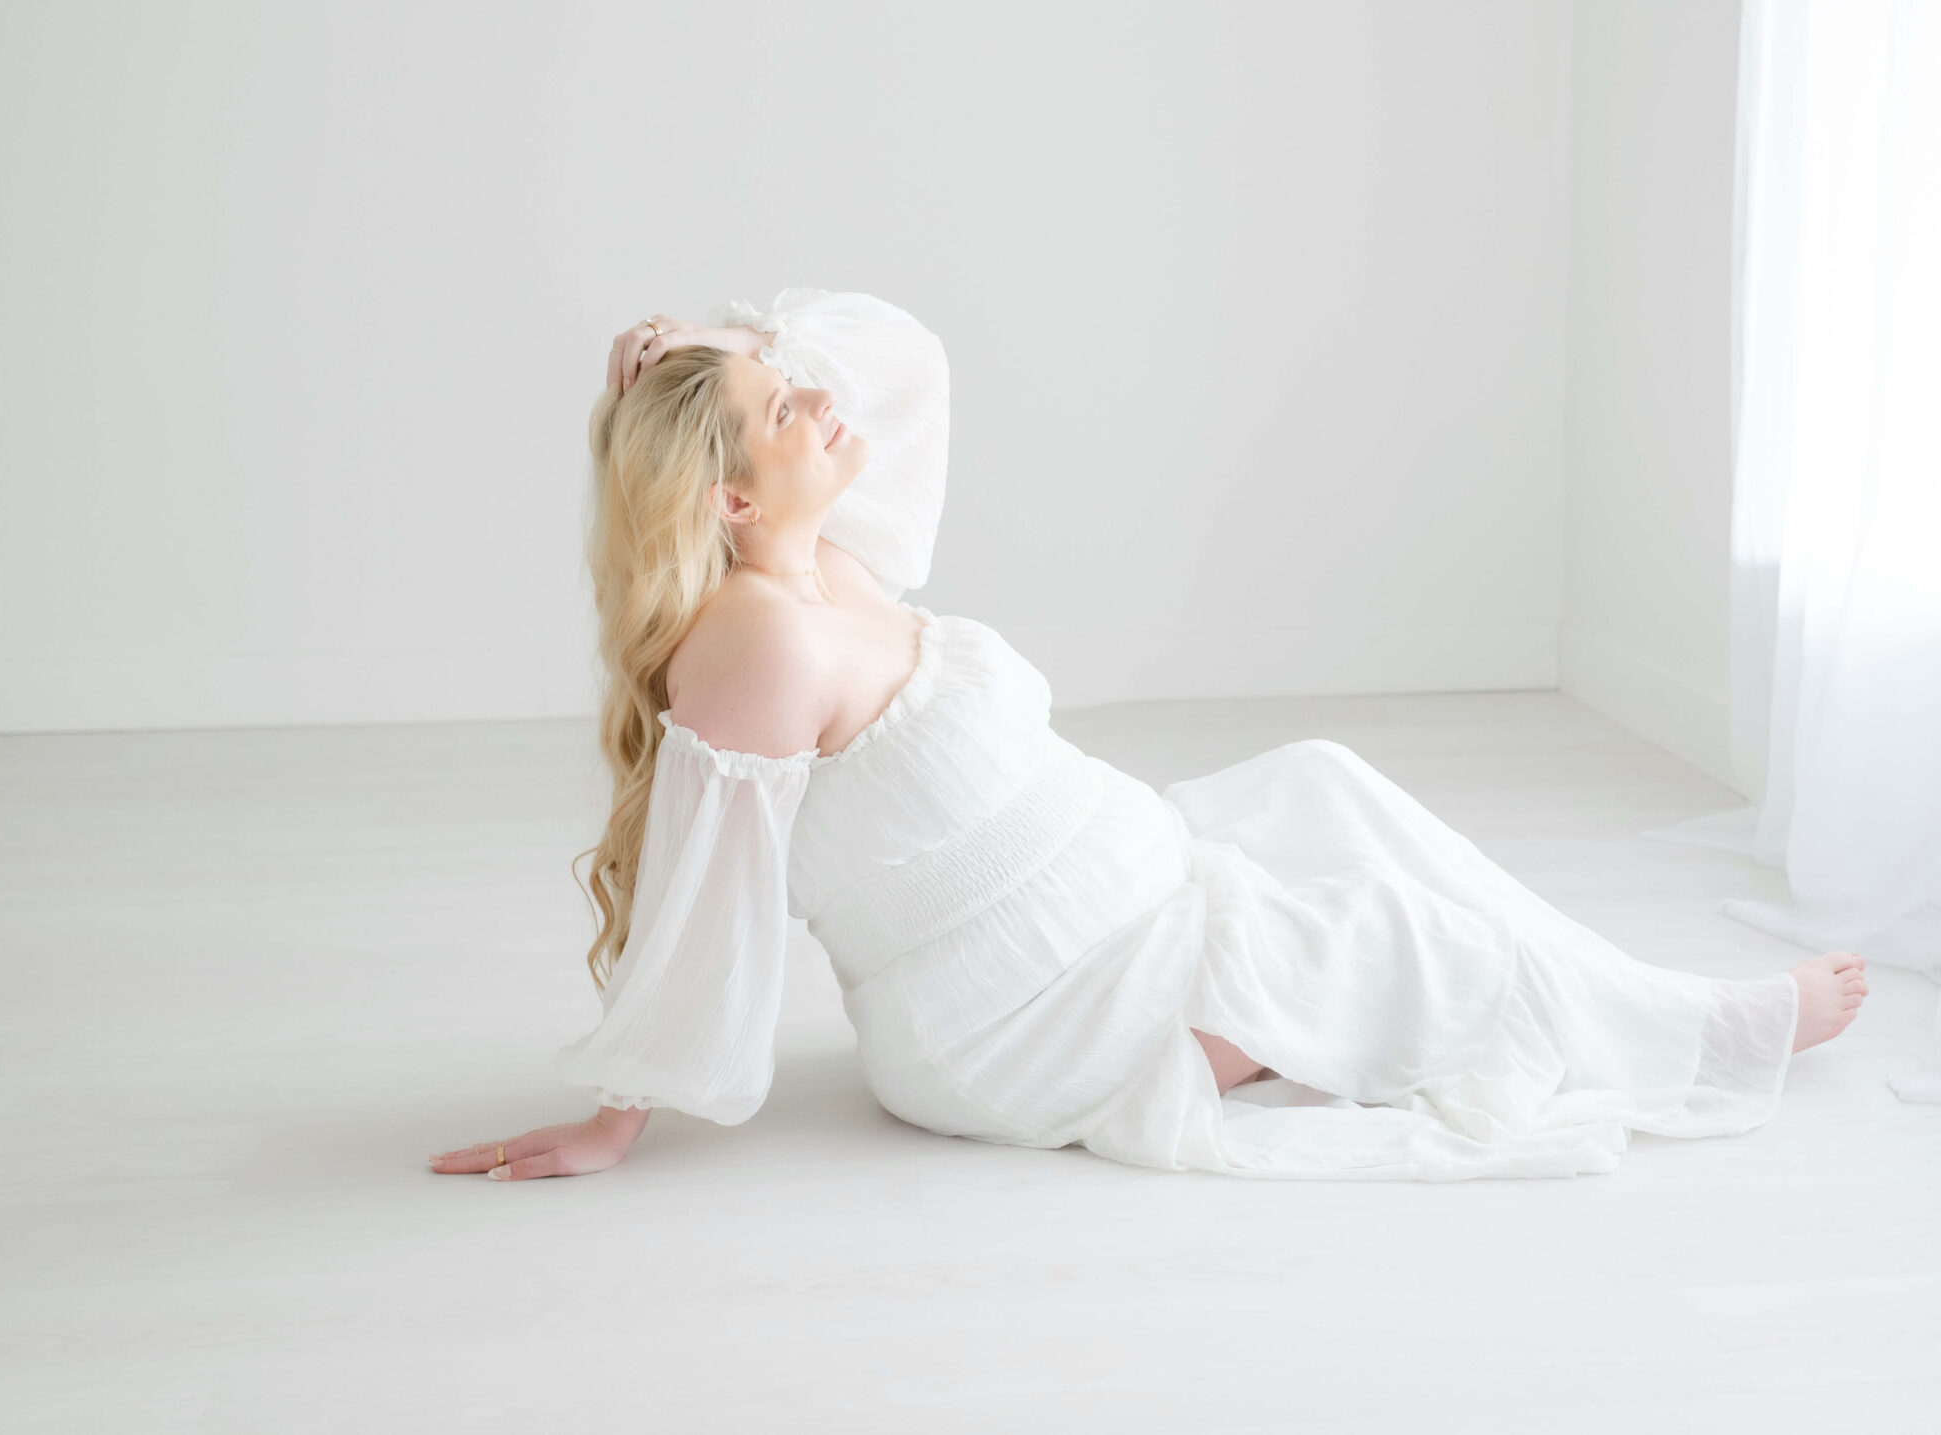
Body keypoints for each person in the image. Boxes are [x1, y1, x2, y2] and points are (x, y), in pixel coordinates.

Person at [430, 290, 1866, 1183]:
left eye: (787, 379)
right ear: (732, 498)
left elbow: (899, 360)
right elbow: (706, 890)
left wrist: (704, 345)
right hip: (1036, 1012)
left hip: (1137, 891)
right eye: (777, 404)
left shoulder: (829, 560)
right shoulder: (756, 639)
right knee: (1413, 941)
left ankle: (1601, 998)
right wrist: (621, 1118)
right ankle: (1702, 1031)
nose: (818, 399)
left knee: (1326, 783)